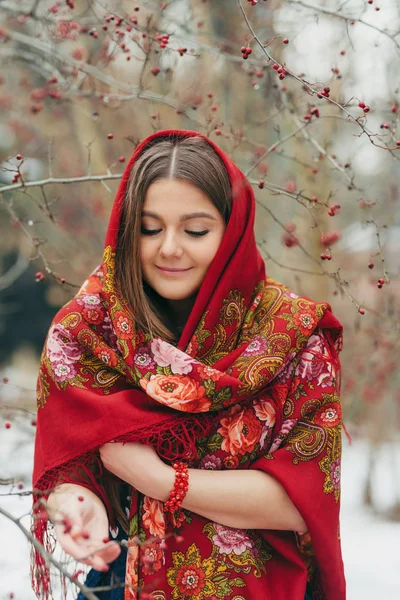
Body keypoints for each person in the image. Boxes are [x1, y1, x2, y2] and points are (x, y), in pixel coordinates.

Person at [32, 129, 346, 600]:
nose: (170, 249)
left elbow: (305, 498)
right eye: (150, 228)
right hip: (122, 583)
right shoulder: (88, 330)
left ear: (232, 231)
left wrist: (164, 481)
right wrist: (78, 507)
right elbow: (66, 468)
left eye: (196, 230)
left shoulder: (292, 336)